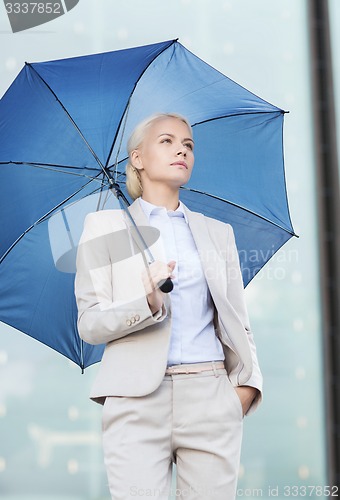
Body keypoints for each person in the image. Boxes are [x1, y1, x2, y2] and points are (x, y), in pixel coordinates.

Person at [74, 112, 263, 500]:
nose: (182, 149)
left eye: (188, 145)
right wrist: (145, 301)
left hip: (211, 397)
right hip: (136, 401)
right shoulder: (104, 227)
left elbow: (238, 321)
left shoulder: (217, 232)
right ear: (138, 158)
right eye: (167, 141)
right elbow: (89, 324)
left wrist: (246, 387)